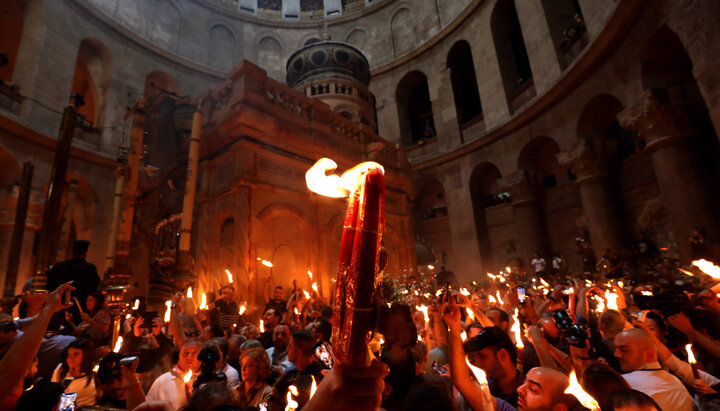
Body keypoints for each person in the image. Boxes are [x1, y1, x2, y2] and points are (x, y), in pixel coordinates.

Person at [613, 328, 696, 410]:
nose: (616, 354)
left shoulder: (623, 382)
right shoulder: (675, 382)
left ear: (648, 354)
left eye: (624, 350)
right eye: (616, 348)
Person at [464, 326, 524, 407]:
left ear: (502, 356)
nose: (477, 364)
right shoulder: (485, 391)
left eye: (482, 356)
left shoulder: (526, 398)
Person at [271, 330, 325, 410]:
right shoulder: (290, 374)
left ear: (299, 353)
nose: (287, 348)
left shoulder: (313, 379)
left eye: (290, 346)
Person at [146, 338, 202, 410]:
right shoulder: (163, 380)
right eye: (186, 353)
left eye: (195, 353)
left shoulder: (208, 381)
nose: (189, 357)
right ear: (179, 356)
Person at [47, 240, 100, 311]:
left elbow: (50, 286)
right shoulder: (90, 269)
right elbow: (93, 288)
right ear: (86, 253)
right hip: (81, 306)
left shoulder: (58, 266)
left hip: (59, 305)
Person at [51, 337, 98, 407]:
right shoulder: (61, 369)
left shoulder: (94, 374)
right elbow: (52, 394)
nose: (70, 358)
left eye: (76, 354)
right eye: (69, 355)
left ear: (86, 355)